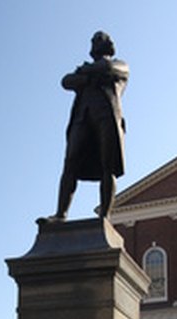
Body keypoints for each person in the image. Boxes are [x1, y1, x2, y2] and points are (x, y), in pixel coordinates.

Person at [48, 31, 129, 222]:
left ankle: (105, 216)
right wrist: (90, 77)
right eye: (92, 41)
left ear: (108, 45)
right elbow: (66, 81)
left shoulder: (120, 64)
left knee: (107, 167)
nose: (93, 44)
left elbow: (110, 68)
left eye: (97, 41)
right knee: (70, 164)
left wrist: (86, 72)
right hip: (82, 119)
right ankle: (60, 215)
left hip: (107, 117)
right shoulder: (90, 70)